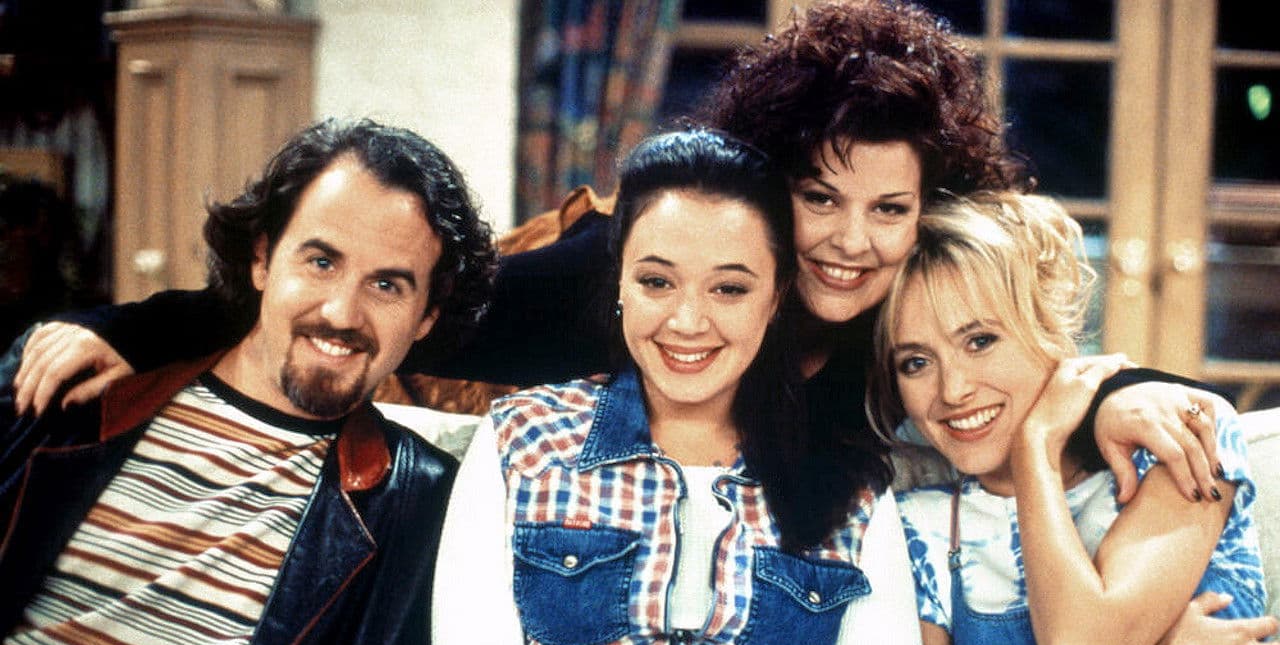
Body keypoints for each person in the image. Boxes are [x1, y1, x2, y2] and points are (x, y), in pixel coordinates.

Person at [14, 1, 1224, 504]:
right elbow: (392, 299)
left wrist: (1126, 390)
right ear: (767, 180)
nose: (852, 244)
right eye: (818, 197)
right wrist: (126, 327)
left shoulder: (903, 309)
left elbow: (1031, 359)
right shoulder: (621, 281)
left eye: (888, 210)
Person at [0, 118, 498, 645]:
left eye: (387, 285)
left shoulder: (420, 506)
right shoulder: (74, 388)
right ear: (263, 259)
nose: (342, 313)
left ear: (426, 317)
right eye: (321, 262)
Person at [434, 128, 921, 645]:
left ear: (775, 298)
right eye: (657, 282)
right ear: (620, 279)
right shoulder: (522, 438)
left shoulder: (852, 480)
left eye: (729, 288)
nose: (688, 322)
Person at [872, 191, 1280, 645]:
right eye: (916, 363)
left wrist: (1036, 445)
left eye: (980, 341)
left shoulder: (1180, 439)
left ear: (1048, 328)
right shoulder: (917, 531)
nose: (953, 390)